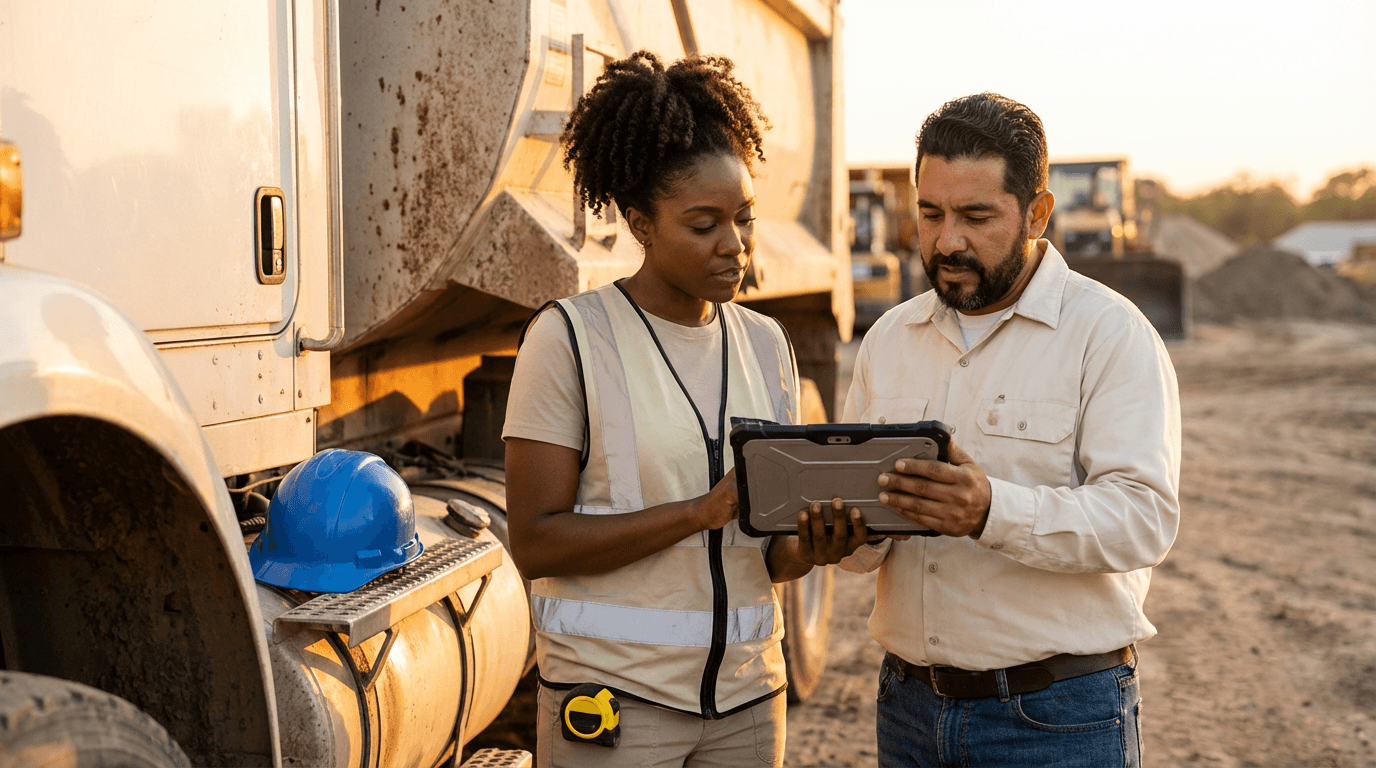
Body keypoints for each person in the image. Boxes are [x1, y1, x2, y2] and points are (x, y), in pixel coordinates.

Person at [502, 51, 872, 768]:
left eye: (744, 218)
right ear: (641, 222)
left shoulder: (767, 345)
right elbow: (536, 541)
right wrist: (696, 513)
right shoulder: (570, 338)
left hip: (747, 706)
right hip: (613, 710)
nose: (734, 245)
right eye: (703, 224)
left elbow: (771, 554)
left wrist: (821, 544)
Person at [837, 92, 1181, 767]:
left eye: (976, 216)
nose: (947, 240)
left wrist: (991, 509)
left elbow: (1145, 519)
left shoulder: (1109, 335)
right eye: (930, 214)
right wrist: (846, 535)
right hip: (907, 711)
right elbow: (864, 547)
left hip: (1057, 720)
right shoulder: (889, 340)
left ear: (1037, 212)